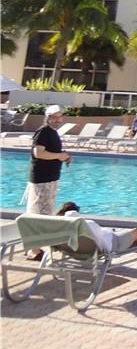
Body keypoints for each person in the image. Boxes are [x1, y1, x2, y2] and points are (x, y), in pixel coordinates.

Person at [24, 105, 72, 259]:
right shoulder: (43, 132)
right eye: (54, 117)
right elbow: (38, 153)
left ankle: (33, 247)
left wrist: (63, 156)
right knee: (39, 214)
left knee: (43, 213)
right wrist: (59, 156)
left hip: (49, 179)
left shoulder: (52, 132)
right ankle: (33, 250)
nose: (57, 120)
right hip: (42, 180)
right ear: (47, 118)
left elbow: (50, 152)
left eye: (60, 117)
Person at [56, 202, 137, 253]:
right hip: (112, 244)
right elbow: (99, 236)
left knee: (133, 237)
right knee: (134, 233)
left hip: (107, 241)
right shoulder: (86, 224)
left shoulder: (58, 228)